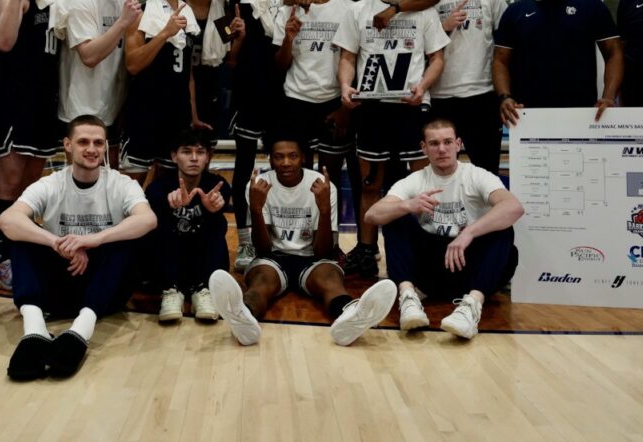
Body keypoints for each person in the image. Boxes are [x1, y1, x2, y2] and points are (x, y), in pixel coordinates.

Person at [218, 0, 338, 272]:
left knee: (295, 157)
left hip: (283, 79)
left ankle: (307, 233)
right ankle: (247, 240)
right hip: (252, 75)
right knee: (243, 164)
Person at [0, 115, 157, 381]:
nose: (92, 149)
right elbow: (7, 219)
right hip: (60, 282)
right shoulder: (51, 183)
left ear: (106, 147)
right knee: (21, 237)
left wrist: (92, 240)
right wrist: (56, 243)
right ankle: (34, 331)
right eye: (83, 142)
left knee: (128, 239)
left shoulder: (121, 183)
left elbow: (148, 219)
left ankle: (80, 332)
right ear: (68, 145)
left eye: (98, 143)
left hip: (104, 289)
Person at [208, 134, 397, 346]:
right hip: (273, 258)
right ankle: (243, 316)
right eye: (278, 157)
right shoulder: (260, 186)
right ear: (270, 159)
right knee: (261, 283)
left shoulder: (323, 186)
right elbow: (262, 249)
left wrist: (324, 209)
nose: (286, 162)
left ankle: (349, 316)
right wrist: (256, 209)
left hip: (312, 258)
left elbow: (323, 252)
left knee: (330, 280)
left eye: (293, 156)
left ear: (303, 157)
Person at [334, 0, 449, 277]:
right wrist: (345, 86)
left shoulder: (422, 9)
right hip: (373, 109)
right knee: (371, 183)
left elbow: (437, 58)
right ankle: (367, 251)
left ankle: (427, 245)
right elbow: (347, 57)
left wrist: (423, 87)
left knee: (423, 181)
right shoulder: (357, 11)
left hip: (412, 107)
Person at [365, 118, 523, 340]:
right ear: (424, 148)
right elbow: (371, 215)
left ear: (458, 144)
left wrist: (469, 232)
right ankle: (408, 298)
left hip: (469, 267)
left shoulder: (476, 175)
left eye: (448, 142)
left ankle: (471, 306)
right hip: (429, 270)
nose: (442, 149)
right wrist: (407, 205)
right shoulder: (416, 180)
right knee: (394, 217)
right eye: (434, 143)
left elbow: (514, 207)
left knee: (503, 227)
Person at [0, 0, 68, 290]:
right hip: (16, 102)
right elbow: (4, 43)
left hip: (44, 104)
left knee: (32, 188)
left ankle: (25, 254)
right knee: (10, 182)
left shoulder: (55, 2)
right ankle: (3, 260)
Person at [493, 0, 624, 126]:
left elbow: (614, 53)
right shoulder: (515, 12)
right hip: (526, 114)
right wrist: (505, 97)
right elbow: (500, 60)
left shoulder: (592, 6)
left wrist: (609, 97)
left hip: (582, 113)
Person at [273, 0, 354, 204]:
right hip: (296, 101)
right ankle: (300, 241)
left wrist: (346, 108)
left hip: (333, 102)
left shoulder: (349, 9)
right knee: (299, 177)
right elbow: (279, 65)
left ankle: (329, 240)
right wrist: (288, 39)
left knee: (329, 180)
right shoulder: (290, 8)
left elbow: (355, 61)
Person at [425, 0, 507, 177]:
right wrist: (444, 27)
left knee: (486, 170)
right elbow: (417, 47)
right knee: (442, 170)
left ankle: (490, 217)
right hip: (440, 96)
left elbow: (504, 46)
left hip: (481, 95)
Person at [59, 0, 143, 168]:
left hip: (114, 106)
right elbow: (89, 56)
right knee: (84, 177)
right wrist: (122, 23)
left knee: (109, 178)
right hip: (83, 106)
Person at [122, 0, 206, 179]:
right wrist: (164, 34)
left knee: (168, 185)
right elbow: (133, 65)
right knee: (132, 183)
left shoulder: (188, 15)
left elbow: (188, 73)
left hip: (177, 113)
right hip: (145, 110)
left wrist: (193, 114)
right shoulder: (140, 14)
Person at [145, 127, 230, 322]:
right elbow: (154, 200)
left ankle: (204, 290)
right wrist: (168, 202)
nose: (194, 158)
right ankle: (171, 291)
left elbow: (222, 197)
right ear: (174, 156)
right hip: (169, 262)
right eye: (186, 152)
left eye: (200, 152)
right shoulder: (158, 187)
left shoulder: (218, 185)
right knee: (157, 225)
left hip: (202, 260)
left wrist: (212, 207)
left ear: (208, 157)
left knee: (219, 223)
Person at [183, 0, 238, 134]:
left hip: (211, 88)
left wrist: (241, 36)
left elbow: (230, 57)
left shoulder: (221, 5)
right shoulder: (176, 3)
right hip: (178, 87)